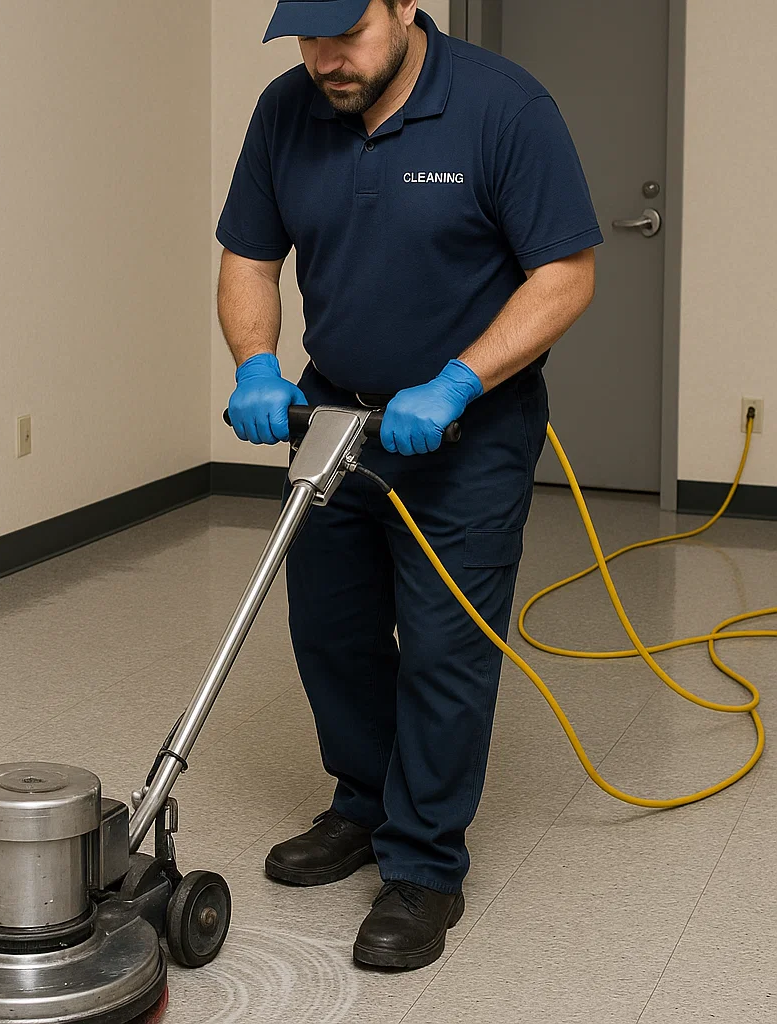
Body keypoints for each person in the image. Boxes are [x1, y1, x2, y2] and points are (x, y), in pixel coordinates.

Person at [217, 0, 601, 970]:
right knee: (331, 630)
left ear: (400, 5)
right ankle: (362, 803)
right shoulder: (285, 111)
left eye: (346, 35)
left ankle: (424, 862)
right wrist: (255, 363)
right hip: (334, 418)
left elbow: (565, 274)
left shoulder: (503, 107)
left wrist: (459, 380)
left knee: (442, 649)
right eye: (308, 40)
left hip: (466, 429)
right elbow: (249, 258)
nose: (326, 61)